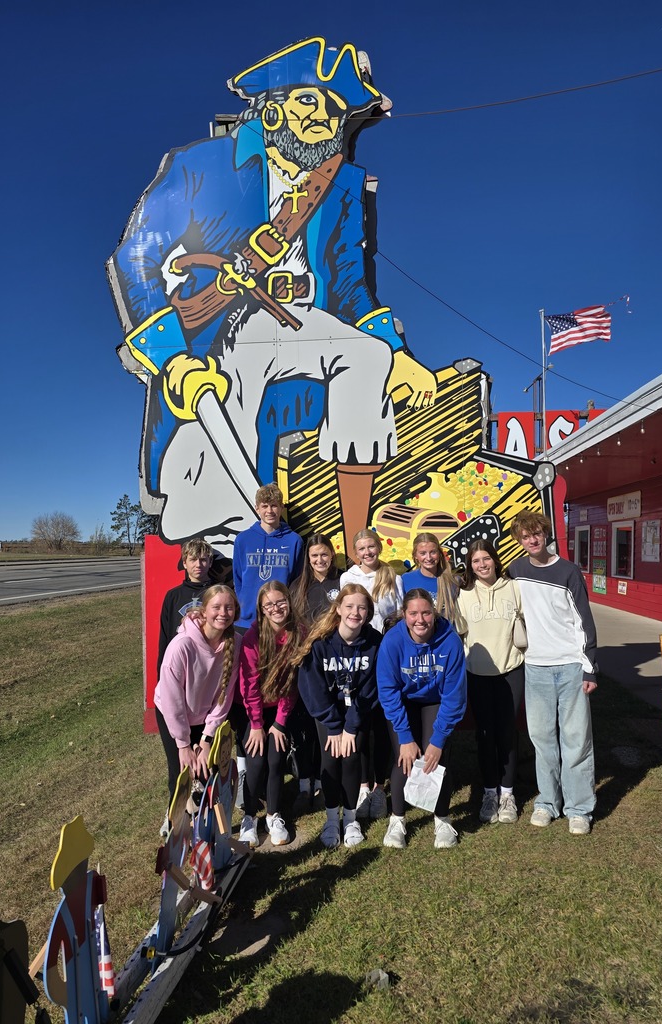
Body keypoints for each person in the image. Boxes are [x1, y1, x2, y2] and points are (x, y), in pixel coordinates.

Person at [108, 38, 437, 551]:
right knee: (235, 383)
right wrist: (171, 357)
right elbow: (137, 257)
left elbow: (349, 282)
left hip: (302, 317)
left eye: (334, 110)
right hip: (227, 322)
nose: (322, 118)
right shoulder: (202, 164)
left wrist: (396, 354)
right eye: (308, 100)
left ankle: (354, 538)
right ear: (273, 106)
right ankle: (224, 529)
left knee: (368, 356)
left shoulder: (342, 185)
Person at [507, 511, 598, 835]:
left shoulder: (568, 571)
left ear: (545, 534)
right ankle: (547, 802)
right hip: (535, 668)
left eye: (536, 534)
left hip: (570, 666)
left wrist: (589, 667)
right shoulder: (515, 571)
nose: (532, 540)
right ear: (519, 540)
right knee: (542, 739)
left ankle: (579, 809)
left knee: (576, 740)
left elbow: (584, 621)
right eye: (525, 536)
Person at [376, 589, 467, 849]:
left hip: (435, 700)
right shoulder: (392, 641)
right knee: (404, 758)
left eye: (426, 613)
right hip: (404, 700)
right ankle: (398, 819)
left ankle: (442, 819)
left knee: (436, 758)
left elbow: (454, 696)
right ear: (404, 614)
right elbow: (388, 691)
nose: (420, 620)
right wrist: (405, 737)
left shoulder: (450, 641)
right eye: (413, 613)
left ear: (434, 613)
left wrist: (438, 740)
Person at [295, 585, 382, 848]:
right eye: (350, 606)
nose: (355, 612)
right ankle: (332, 818)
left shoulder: (374, 641)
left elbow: (371, 688)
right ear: (338, 609)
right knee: (331, 759)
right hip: (328, 713)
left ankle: (351, 819)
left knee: (352, 757)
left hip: (357, 711)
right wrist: (334, 727)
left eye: (362, 607)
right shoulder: (320, 642)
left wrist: (351, 727)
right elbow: (312, 688)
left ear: (368, 613)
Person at [457, 539, 525, 825]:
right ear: (470, 566)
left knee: (507, 732)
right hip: (477, 674)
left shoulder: (514, 588)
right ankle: (489, 792)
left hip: (511, 670)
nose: (482, 564)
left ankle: (507, 794)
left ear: (495, 560)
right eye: (476, 561)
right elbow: (458, 632)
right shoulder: (463, 594)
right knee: (485, 734)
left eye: (486, 558)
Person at [154, 585, 241, 804]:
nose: (223, 613)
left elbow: (224, 695)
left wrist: (207, 738)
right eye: (216, 607)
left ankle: (202, 819)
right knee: (181, 772)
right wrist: (183, 744)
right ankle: (174, 818)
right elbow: (172, 700)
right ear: (204, 610)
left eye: (229, 607)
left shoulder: (235, 643)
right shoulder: (181, 645)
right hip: (173, 713)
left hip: (204, 716)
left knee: (206, 770)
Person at [340, 528, 404, 818]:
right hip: (358, 654)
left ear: (379, 547)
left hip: (385, 655)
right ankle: (363, 785)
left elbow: (400, 616)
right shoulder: (348, 577)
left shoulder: (393, 577)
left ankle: (379, 786)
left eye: (371, 547)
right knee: (361, 721)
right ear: (356, 553)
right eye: (362, 549)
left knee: (382, 723)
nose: (367, 552)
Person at [237, 581, 303, 847]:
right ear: (261, 609)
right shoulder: (253, 638)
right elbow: (249, 686)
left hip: (279, 710)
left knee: (275, 760)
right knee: (255, 762)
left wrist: (279, 723)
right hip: (252, 711)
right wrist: (256, 725)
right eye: (269, 605)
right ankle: (249, 817)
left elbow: (291, 685)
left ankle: (274, 816)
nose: (276, 608)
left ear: (289, 602)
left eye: (281, 602)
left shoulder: (297, 633)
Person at [289, 533, 343, 809]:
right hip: (308, 664)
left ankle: (324, 782)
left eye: (324, 554)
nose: (320, 560)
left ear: (332, 554)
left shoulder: (342, 581)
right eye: (314, 556)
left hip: (337, 663)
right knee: (304, 726)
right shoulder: (298, 586)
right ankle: (304, 783)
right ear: (308, 560)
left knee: (327, 724)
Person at [233, 483, 303, 631]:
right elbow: (238, 578)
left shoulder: (294, 541)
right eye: (264, 506)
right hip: (247, 620)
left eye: (274, 506)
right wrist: (244, 604)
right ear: (257, 508)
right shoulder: (243, 539)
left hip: (279, 618)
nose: (269, 511)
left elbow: (297, 581)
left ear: (281, 507)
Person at [157, 538, 214, 676]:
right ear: (184, 563)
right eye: (192, 559)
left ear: (210, 562)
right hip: (179, 662)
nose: (198, 565)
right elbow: (165, 636)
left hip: (210, 662)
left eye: (203, 560)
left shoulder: (219, 593)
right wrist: (162, 675)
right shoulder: (173, 596)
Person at [401, 532, 464, 631]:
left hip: (446, 637)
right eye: (423, 553)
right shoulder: (406, 579)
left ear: (439, 553)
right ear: (415, 555)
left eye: (433, 552)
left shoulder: (454, 581)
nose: (429, 558)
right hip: (418, 637)